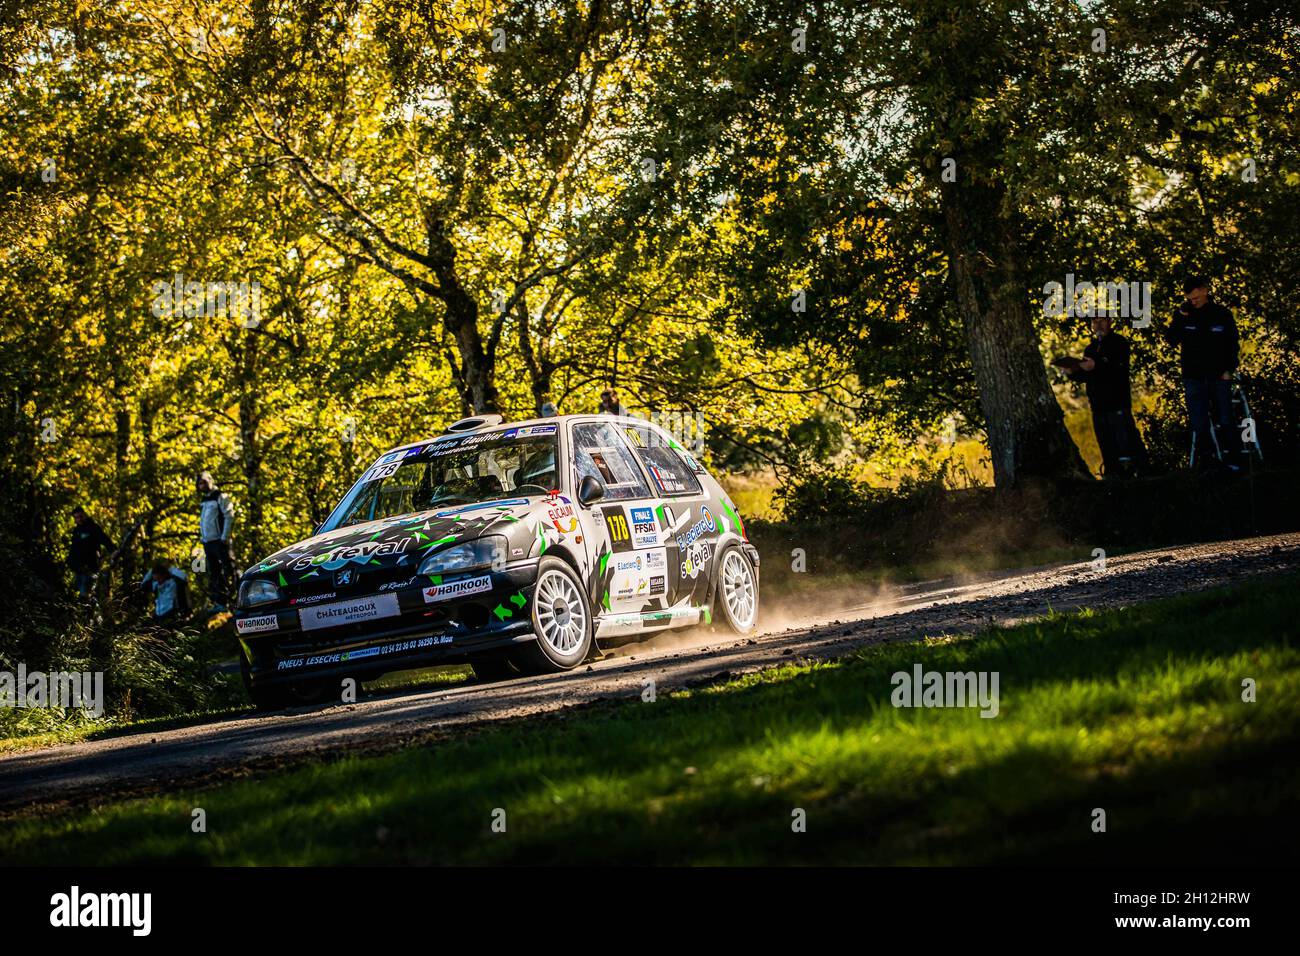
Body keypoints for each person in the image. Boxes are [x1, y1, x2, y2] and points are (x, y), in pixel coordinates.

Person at [1165, 276, 1244, 471]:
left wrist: (1229, 369)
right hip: (1194, 377)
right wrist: (1180, 316)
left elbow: (1232, 344)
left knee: (1225, 418)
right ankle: (1208, 462)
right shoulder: (1185, 314)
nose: (1194, 302)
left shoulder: (1221, 314)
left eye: (1196, 298)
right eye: (1190, 299)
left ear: (1204, 290)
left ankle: (1235, 460)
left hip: (1219, 376)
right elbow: (1171, 339)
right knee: (1199, 422)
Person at [1061, 314, 1148, 478]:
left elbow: (1118, 368)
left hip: (1117, 404)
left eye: (1101, 321)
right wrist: (1071, 373)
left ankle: (1137, 474)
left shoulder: (1119, 343)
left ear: (1109, 322)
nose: (1098, 325)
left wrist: (1097, 365)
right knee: (1106, 446)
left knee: (1126, 444)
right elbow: (1087, 376)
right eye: (1094, 322)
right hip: (1098, 406)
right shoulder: (1091, 349)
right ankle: (1112, 476)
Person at [196, 471, 235, 612]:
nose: (202, 485)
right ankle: (220, 603)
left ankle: (235, 600)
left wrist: (224, 537)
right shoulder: (204, 500)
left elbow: (229, 516)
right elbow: (205, 521)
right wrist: (203, 539)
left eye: (205, 482)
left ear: (211, 481)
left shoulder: (221, 496)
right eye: (200, 483)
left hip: (220, 541)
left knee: (229, 570)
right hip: (208, 543)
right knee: (215, 573)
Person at [67, 506, 113, 599]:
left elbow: (104, 539)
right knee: (77, 594)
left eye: (81, 516)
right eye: (76, 517)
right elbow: (73, 550)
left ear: (84, 515)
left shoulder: (92, 527)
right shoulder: (77, 531)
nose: (79, 519)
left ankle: (89, 611)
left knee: (85, 595)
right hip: (78, 569)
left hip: (90, 568)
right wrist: (70, 562)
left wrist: (114, 550)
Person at [140, 559, 190, 625]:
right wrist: (152, 570)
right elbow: (143, 586)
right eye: (156, 579)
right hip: (159, 615)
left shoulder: (174, 582)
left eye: (159, 578)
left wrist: (169, 567)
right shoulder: (156, 585)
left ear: (165, 575)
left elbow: (183, 577)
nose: (158, 581)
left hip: (172, 614)